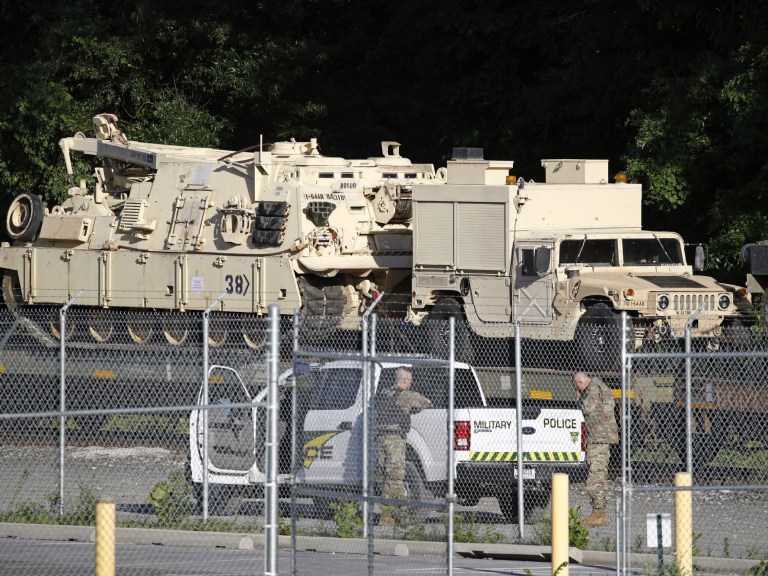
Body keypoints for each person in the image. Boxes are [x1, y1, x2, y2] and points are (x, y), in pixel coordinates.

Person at [375, 367, 432, 526]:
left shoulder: (384, 393)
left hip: (380, 438)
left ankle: (390, 514)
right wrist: (423, 400)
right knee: (395, 477)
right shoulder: (406, 395)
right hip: (395, 440)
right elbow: (426, 403)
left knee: (384, 476)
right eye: (410, 381)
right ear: (405, 380)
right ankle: (392, 516)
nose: (411, 383)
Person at [572, 370, 619, 528]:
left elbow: (587, 408)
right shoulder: (601, 386)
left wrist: (579, 398)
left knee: (595, 477)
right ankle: (599, 512)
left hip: (599, 437)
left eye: (577, 386)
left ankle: (599, 514)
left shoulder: (593, 389)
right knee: (599, 474)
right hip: (601, 437)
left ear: (580, 383)